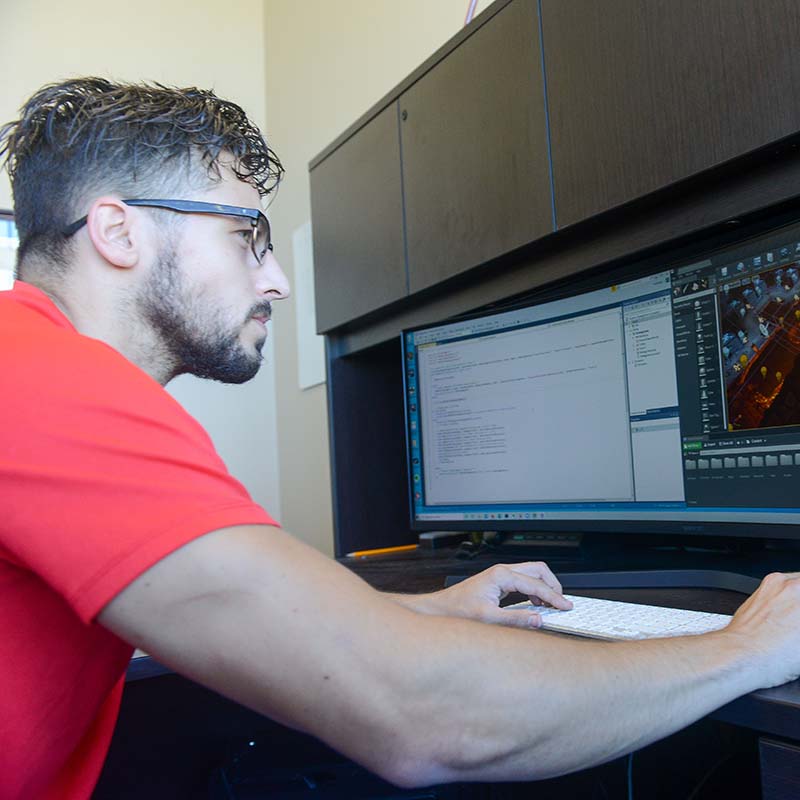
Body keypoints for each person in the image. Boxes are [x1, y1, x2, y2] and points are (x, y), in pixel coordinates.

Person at [2, 77, 800, 800]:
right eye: (249, 235)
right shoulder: (42, 381)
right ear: (117, 230)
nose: (276, 278)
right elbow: (427, 718)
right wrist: (747, 650)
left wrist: (433, 612)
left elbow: (272, 630)